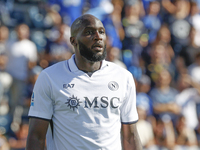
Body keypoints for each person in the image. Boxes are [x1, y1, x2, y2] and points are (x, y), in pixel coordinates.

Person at [26, 14, 142, 150]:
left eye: (101, 32)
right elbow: (36, 136)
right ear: (73, 41)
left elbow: (130, 136)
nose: (98, 37)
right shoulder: (49, 77)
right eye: (89, 32)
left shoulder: (123, 77)